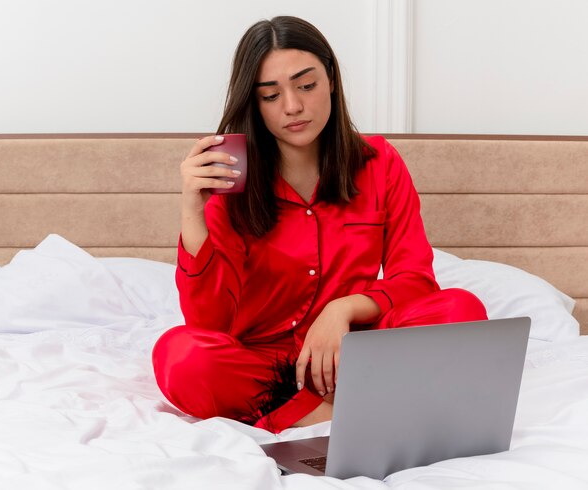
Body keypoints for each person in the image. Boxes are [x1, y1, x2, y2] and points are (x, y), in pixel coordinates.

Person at [152, 15, 487, 433]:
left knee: (462, 310)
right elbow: (209, 325)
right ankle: (328, 414)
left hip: (355, 353)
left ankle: (318, 408)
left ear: (330, 79)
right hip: (265, 367)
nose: (292, 106)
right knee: (180, 355)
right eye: (270, 95)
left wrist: (341, 310)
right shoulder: (230, 178)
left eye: (306, 85)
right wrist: (192, 212)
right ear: (254, 104)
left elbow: (415, 279)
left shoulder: (379, 163)